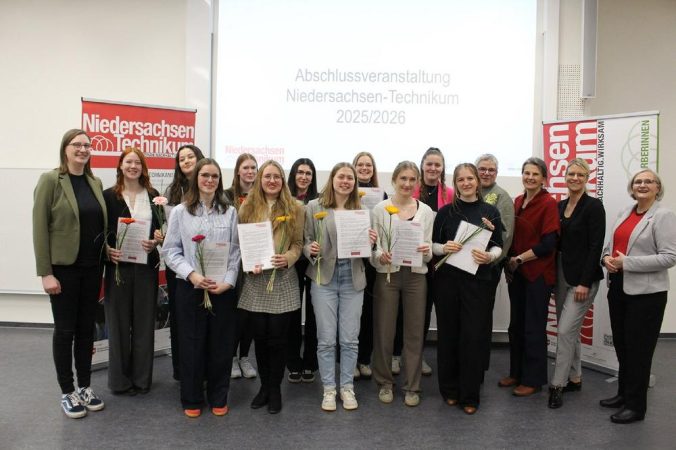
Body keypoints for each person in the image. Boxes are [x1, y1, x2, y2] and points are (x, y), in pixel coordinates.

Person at [32, 129, 107, 418]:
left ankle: (85, 386)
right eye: (77, 144)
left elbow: (98, 226)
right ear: (65, 148)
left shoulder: (95, 182)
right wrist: (45, 273)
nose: (83, 149)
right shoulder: (51, 180)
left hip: (92, 268)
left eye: (87, 145)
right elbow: (40, 228)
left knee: (87, 330)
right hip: (63, 270)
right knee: (65, 331)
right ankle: (67, 391)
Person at [162, 158, 241, 418]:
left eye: (215, 176)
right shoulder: (180, 212)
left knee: (221, 345)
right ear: (196, 178)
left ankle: (219, 396)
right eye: (205, 175)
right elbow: (170, 251)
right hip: (191, 287)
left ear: (220, 180)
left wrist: (229, 281)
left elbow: (235, 252)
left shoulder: (229, 212)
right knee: (191, 344)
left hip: (221, 289)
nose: (210, 180)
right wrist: (192, 275)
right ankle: (192, 398)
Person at [600, 169, 676, 424]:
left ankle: (636, 406)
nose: (642, 185)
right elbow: (611, 246)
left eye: (648, 181)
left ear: (657, 188)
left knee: (639, 352)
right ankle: (623, 394)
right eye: (638, 181)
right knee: (622, 346)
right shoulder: (626, 211)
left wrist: (628, 263)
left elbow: (670, 257)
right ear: (632, 187)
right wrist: (606, 258)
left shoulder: (663, 215)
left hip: (647, 295)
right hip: (619, 287)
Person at [304, 162, 377, 411]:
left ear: (355, 183)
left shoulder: (362, 210)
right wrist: (310, 248)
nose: (345, 181)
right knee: (325, 339)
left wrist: (371, 242)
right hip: (324, 278)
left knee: (350, 339)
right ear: (332, 179)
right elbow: (305, 240)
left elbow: (368, 252)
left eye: (350, 178)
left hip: (352, 278)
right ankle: (328, 389)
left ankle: (347, 388)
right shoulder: (314, 206)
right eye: (341, 177)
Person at [433, 163, 503, 414]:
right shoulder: (445, 212)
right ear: (455, 183)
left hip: (477, 283)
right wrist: (444, 248)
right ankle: (449, 389)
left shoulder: (490, 212)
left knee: (473, 337)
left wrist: (490, 257)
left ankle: (470, 395)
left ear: (477, 181)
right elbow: (432, 245)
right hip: (447, 283)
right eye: (461, 179)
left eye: (470, 178)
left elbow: (498, 245)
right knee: (449, 335)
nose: (466, 183)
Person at [238, 160, 305, 413]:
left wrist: (287, 258)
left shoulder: (296, 207)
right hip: (256, 281)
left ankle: (275, 389)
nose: (272, 181)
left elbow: (298, 244)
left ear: (282, 180)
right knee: (260, 338)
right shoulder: (247, 206)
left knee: (277, 339)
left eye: (277, 176)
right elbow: (242, 243)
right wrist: (249, 263)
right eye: (267, 176)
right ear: (260, 179)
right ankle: (264, 387)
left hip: (283, 280)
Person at [371, 161, 434, 407]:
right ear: (394, 180)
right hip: (387, 274)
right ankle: (385, 383)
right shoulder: (380, 209)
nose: (407, 184)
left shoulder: (425, 211)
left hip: (416, 276)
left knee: (414, 333)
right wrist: (380, 256)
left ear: (417, 182)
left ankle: (412, 386)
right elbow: (374, 248)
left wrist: (426, 251)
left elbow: (429, 250)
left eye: (412, 179)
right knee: (384, 331)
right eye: (403, 179)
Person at [548, 158, 605, 408]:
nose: (575, 178)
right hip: (561, 273)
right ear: (565, 176)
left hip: (583, 279)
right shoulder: (559, 206)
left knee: (563, 331)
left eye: (580, 175)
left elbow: (595, 246)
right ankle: (575, 377)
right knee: (569, 330)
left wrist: (584, 282)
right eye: (571, 174)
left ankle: (557, 385)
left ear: (587, 178)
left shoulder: (594, 206)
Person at [103, 148, 161, 396]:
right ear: (120, 165)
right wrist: (107, 250)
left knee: (144, 325)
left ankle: (141, 379)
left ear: (143, 167)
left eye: (138, 162)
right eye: (128, 162)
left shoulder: (154, 196)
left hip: (146, 268)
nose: (133, 166)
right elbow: (101, 231)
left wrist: (156, 241)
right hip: (118, 268)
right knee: (118, 325)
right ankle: (119, 381)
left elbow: (160, 230)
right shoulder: (108, 196)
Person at [501, 157, 559, 396]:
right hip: (518, 274)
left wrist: (519, 259)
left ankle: (533, 380)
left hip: (538, 275)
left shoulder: (549, 204)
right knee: (516, 325)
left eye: (535, 174)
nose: (530, 177)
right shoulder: (517, 201)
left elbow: (548, 244)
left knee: (533, 327)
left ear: (544, 178)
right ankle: (516, 372)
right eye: (526, 173)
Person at [155, 144, 205, 381]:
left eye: (190, 156)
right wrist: (161, 235)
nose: (186, 161)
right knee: (179, 317)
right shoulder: (172, 190)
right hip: (178, 265)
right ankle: (180, 369)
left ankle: (202, 368)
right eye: (181, 158)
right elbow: (167, 227)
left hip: (205, 263)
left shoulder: (209, 185)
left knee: (203, 315)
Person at [413, 147, 454, 376]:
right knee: (412, 312)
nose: (433, 168)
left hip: (442, 263)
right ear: (422, 165)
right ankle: (405, 355)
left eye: (437, 164)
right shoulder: (411, 189)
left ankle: (422, 357)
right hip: (414, 259)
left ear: (443, 168)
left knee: (431, 312)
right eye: (429, 164)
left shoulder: (450, 193)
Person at [475, 154, 515, 373]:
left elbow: (505, 234)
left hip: (488, 267)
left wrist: (491, 259)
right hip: (466, 266)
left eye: (491, 170)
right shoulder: (470, 192)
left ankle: (480, 364)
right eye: (482, 169)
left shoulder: (502, 197)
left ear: (497, 173)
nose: (486, 173)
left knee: (482, 316)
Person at [352, 151, 386, 380]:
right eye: (360, 165)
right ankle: (349, 359)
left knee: (368, 313)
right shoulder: (344, 191)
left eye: (369, 165)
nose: (364, 168)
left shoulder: (382, 195)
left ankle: (364, 359)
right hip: (352, 258)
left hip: (372, 260)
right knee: (350, 314)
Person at [225, 153, 258, 379]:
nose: (250, 171)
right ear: (238, 170)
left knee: (250, 313)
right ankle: (231, 358)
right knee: (234, 312)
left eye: (253, 168)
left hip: (255, 260)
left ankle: (244, 356)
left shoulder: (261, 195)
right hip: (232, 260)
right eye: (246, 167)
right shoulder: (227, 195)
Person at [286, 158, 319, 383]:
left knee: (315, 313)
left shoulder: (319, 201)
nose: (304, 177)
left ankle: (310, 362)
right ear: (293, 175)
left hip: (315, 261)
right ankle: (292, 362)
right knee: (292, 313)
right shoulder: (284, 199)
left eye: (308, 173)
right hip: (292, 262)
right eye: (300, 172)